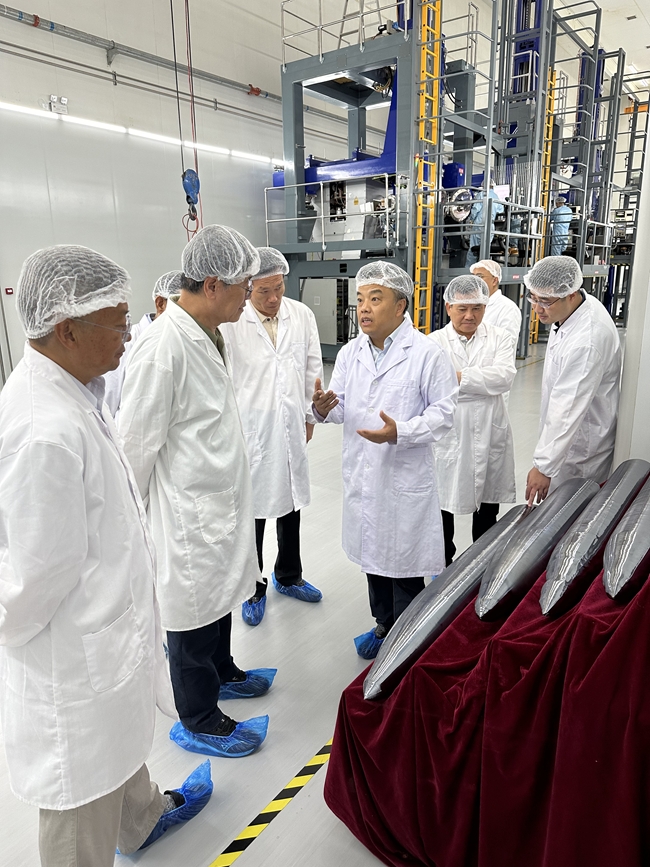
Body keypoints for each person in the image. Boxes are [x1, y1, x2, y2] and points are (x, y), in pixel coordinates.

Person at [0, 245, 212, 867]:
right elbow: (33, 580)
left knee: (116, 740)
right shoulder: (44, 431)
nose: (129, 335)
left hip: (103, 633)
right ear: (67, 329)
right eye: (118, 324)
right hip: (72, 657)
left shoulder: (75, 391)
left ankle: (141, 819)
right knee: (79, 796)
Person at [119, 225, 273, 759]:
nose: (248, 296)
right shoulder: (163, 348)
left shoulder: (209, 332)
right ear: (212, 285)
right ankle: (199, 717)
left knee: (220, 598)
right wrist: (134, 529)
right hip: (187, 513)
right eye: (244, 287)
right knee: (190, 613)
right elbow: (134, 448)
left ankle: (223, 672)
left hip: (217, 499)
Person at [312, 261, 458, 660]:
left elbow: (444, 414)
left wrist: (401, 432)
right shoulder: (351, 352)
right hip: (364, 474)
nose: (364, 308)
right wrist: (323, 408)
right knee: (372, 558)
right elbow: (342, 407)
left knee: (404, 567)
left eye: (375, 299)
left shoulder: (426, 354)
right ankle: (383, 624)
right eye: (360, 299)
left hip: (402, 476)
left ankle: (408, 642)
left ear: (400, 306)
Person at [221, 247, 324, 626]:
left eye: (278, 288)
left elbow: (312, 366)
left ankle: (289, 575)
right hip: (251, 429)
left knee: (290, 502)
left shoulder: (301, 315)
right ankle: (253, 586)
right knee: (253, 510)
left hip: (291, 423)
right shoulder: (232, 322)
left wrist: (311, 415)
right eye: (264, 291)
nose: (273, 298)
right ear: (248, 288)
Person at [428, 275, 517, 565]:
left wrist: (457, 378)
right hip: (449, 432)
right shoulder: (433, 343)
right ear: (448, 307)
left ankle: (483, 564)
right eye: (462, 309)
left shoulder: (499, 337)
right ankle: (443, 565)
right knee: (443, 504)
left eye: (477, 308)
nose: (470, 316)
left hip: (490, 427)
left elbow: (504, 377)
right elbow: (434, 386)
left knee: (487, 508)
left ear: (485, 307)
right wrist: (480, 381)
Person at [524, 257, 621, 506]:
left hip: (580, 451)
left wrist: (544, 466)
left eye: (545, 301)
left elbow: (567, 407)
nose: (537, 308)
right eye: (534, 298)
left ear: (571, 294)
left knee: (569, 514)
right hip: (566, 443)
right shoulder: (572, 310)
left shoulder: (587, 340)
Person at [103, 269, 182, 415]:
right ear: (160, 303)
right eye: (183, 309)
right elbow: (107, 403)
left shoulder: (182, 343)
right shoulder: (127, 343)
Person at [469, 259, 522, 346]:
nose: (474, 281)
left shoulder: (508, 308)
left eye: (479, 277)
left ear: (494, 281)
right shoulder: (471, 304)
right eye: (473, 277)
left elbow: (508, 343)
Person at [465, 180, 505, 266]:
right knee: (486, 249)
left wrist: (470, 220)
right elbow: (500, 210)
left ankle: (469, 269)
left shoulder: (481, 194)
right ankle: (484, 267)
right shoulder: (496, 196)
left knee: (473, 248)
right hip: (490, 225)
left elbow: (475, 209)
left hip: (479, 224)